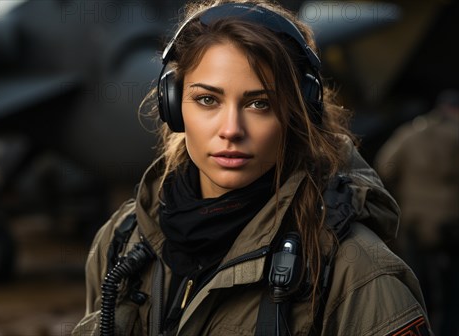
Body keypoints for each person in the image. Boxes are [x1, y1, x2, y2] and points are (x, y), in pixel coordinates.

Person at [73, 1, 432, 335]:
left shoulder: (355, 271)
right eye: (207, 100)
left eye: (259, 103)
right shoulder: (122, 240)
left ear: (297, 115)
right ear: (173, 106)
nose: (231, 129)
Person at [375, 89, 459, 336]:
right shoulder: (456, 135)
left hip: (413, 225)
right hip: (450, 228)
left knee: (418, 289)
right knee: (451, 295)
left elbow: (384, 166)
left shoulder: (408, 134)